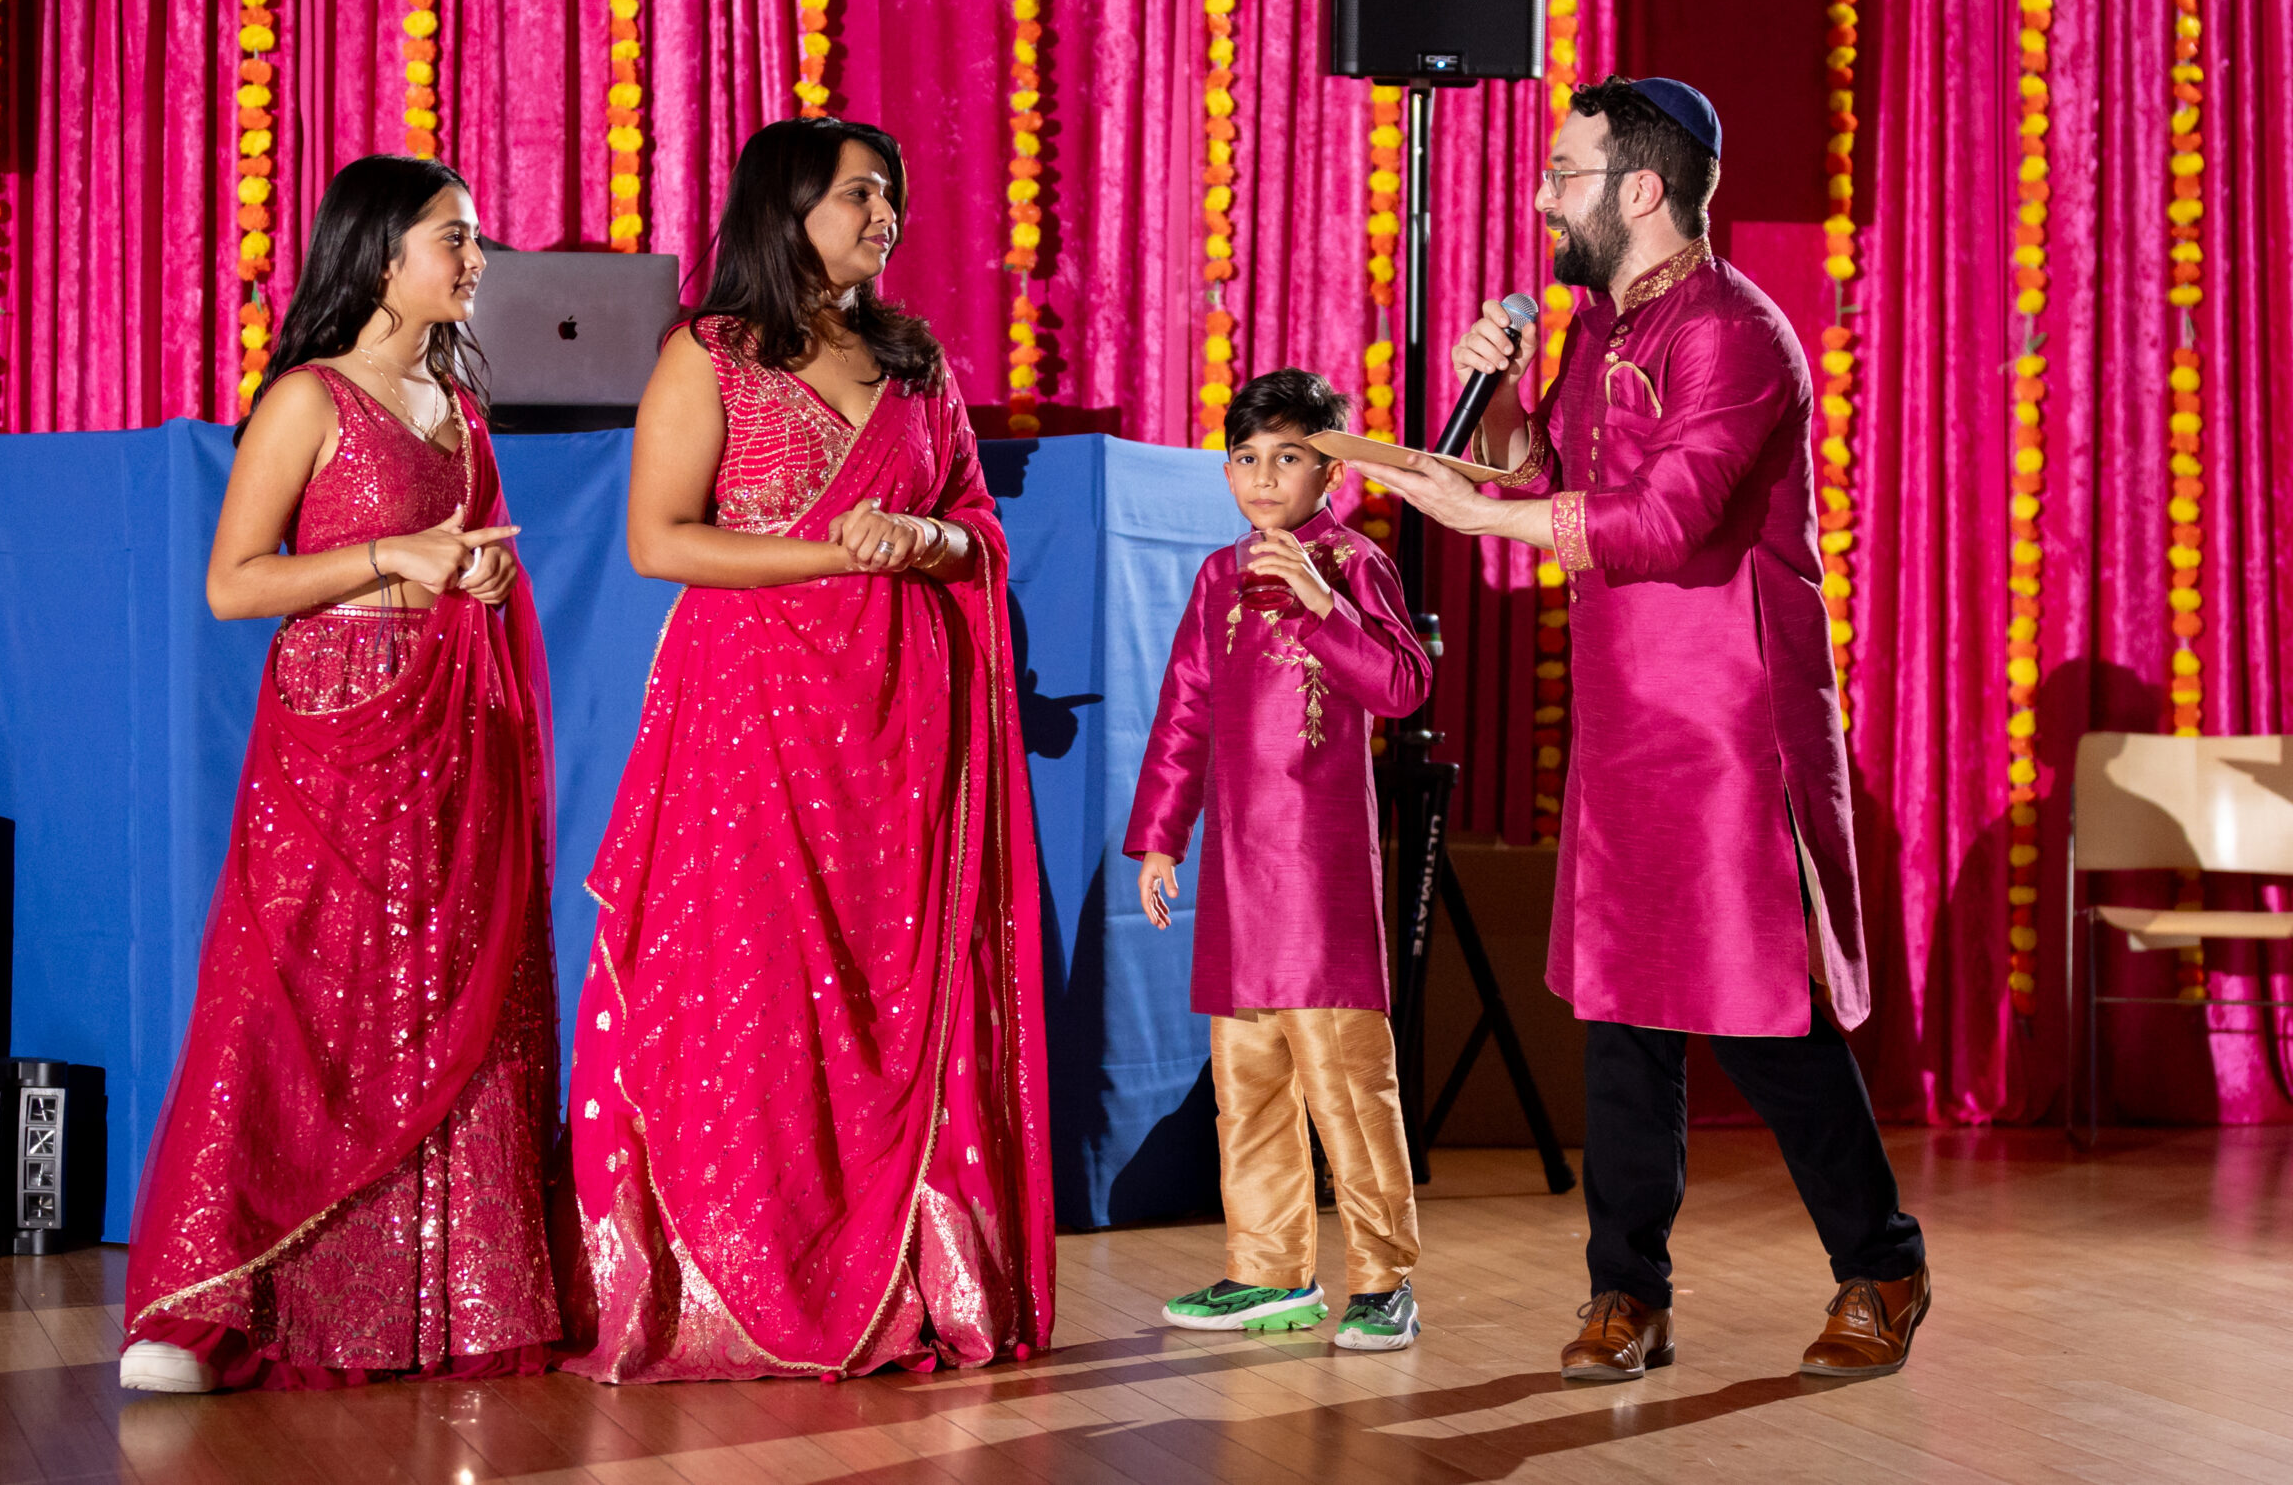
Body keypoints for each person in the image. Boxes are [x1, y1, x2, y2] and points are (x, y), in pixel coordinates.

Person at [1378, 76, 1929, 1382]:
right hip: (1625, 722)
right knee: (1620, 1016)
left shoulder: (1734, 333)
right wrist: (1498, 404)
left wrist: (1487, 516)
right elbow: (1551, 480)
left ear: (1639, 188)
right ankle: (1626, 1293)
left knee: (1762, 1019)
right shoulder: (1595, 330)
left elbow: (1667, 519)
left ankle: (1882, 1262)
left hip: (1730, 725)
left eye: (1562, 175)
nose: (1541, 198)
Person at [554, 117, 1055, 1382]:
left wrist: (929, 542)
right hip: (752, 719)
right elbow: (661, 540)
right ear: (786, 209)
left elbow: (975, 526)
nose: (884, 216)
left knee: (898, 990)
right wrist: (836, 547)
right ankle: (744, 1276)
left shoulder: (914, 360)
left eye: (890, 195)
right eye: (857, 194)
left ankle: (915, 1274)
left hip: (901, 726)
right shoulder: (711, 353)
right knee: (755, 989)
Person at [119, 156, 560, 1393]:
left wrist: (474, 573)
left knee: (452, 998)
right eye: (453, 238)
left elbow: (464, 553)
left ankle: (446, 1304)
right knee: (299, 994)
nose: (476, 260)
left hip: (453, 729)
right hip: (336, 727)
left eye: (475, 239)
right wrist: (390, 558)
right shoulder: (309, 399)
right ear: (378, 254)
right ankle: (217, 1303)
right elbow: (234, 584)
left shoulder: (457, 406)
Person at [1124, 370, 1433, 1352]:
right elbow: (1183, 714)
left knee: (1346, 1083)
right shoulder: (1217, 577)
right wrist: (1161, 837)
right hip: (1236, 876)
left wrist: (1318, 603)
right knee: (1246, 1083)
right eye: (1246, 459)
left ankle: (1383, 1279)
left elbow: (1401, 686)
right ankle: (1268, 1272)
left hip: (1320, 876)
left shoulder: (1354, 564)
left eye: (1289, 457)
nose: (1263, 478)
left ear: (1330, 470)